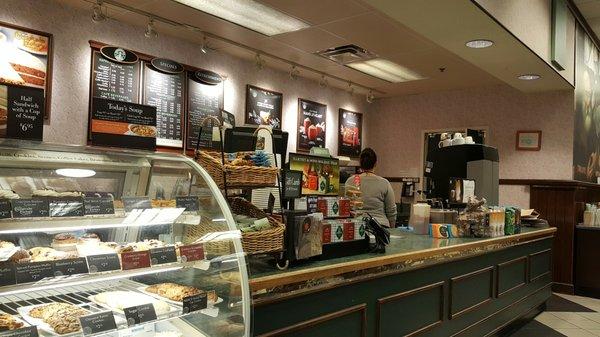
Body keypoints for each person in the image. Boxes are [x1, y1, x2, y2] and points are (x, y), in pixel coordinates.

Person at [345, 148, 397, 227]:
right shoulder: (384, 183)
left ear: (360, 163)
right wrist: (392, 230)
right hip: (380, 226)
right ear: (375, 163)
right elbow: (391, 211)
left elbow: (346, 207)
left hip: (357, 227)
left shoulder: (350, 181)